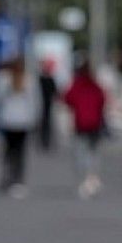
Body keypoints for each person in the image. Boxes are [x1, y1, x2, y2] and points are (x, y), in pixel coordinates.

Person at [0, 57, 39, 198]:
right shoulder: (29, 80)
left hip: (7, 119)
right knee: (20, 152)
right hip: (24, 120)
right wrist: (35, 118)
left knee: (8, 151)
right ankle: (18, 179)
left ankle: (7, 177)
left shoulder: (2, 79)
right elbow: (35, 101)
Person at [64, 60, 107, 199]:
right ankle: (93, 176)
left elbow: (67, 98)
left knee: (81, 151)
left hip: (81, 123)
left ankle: (86, 179)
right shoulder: (96, 86)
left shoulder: (77, 85)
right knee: (94, 151)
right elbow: (103, 100)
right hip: (95, 123)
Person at [37, 57, 59, 152]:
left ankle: (45, 140)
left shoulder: (45, 79)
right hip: (43, 103)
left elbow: (55, 92)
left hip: (46, 104)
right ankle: (44, 140)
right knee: (45, 123)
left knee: (46, 123)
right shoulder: (42, 79)